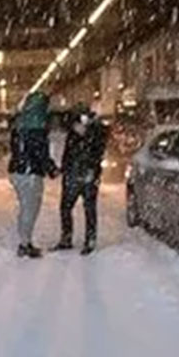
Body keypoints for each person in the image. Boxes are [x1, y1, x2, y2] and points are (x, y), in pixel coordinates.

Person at [8, 91, 58, 258]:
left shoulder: (20, 123)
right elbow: (40, 153)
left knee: (25, 208)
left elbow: (18, 149)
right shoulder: (37, 126)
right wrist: (51, 169)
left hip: (18, 171)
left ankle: (25, 241)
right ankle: (24, 244)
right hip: (30, 173)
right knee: (31, 208)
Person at [55, 105, 108, 254]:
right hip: (74, 174)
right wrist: (65, 169)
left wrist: (91, 168)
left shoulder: (96, 133)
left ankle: (89, 240)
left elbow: (97, 152)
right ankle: (68, 237)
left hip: (87, 175)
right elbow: (68, 152)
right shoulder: (74, 134)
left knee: (88, 207)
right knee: (67, 207)